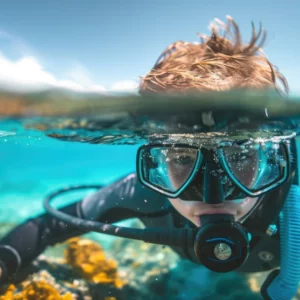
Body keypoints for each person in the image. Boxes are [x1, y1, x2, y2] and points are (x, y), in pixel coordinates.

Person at [0, 16, 299, 300]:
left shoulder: (292, 202)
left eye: (238, 156)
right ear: (156, 165)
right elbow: (46, 227)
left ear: (274, 161)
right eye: (182, 159)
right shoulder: (147, 193)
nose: (213, 196)